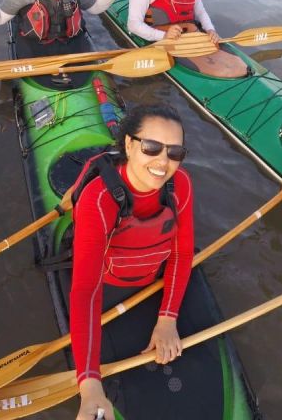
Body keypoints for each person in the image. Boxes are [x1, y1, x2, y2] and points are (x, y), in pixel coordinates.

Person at [68, 104, 194, 420]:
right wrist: (90, 386)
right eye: (151, 147)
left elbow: (181, 253)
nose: (163, 161)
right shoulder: (98, 199)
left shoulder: (181, 185)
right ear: (128, 144)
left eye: (175, 152)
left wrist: (167, 318)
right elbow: (86, 292)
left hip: (153, 277)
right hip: (109, 283)